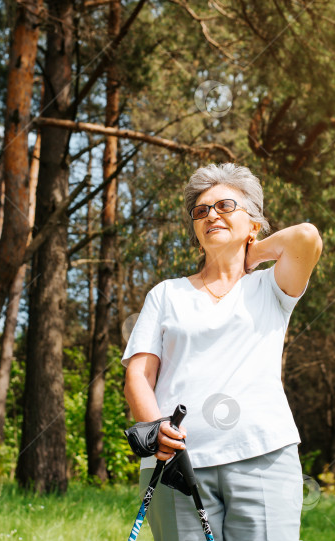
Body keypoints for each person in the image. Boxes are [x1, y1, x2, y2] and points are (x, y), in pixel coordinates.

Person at [122, 163, 323, 541]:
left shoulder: (272, 286)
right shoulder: (166, 294)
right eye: (201, 211)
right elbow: (138, 376)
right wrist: (157, 430)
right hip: (175, 464)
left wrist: (251, 252)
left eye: (225, 206)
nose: (211, 214)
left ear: (254, 222)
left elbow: (307, 237)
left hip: (263, 455)